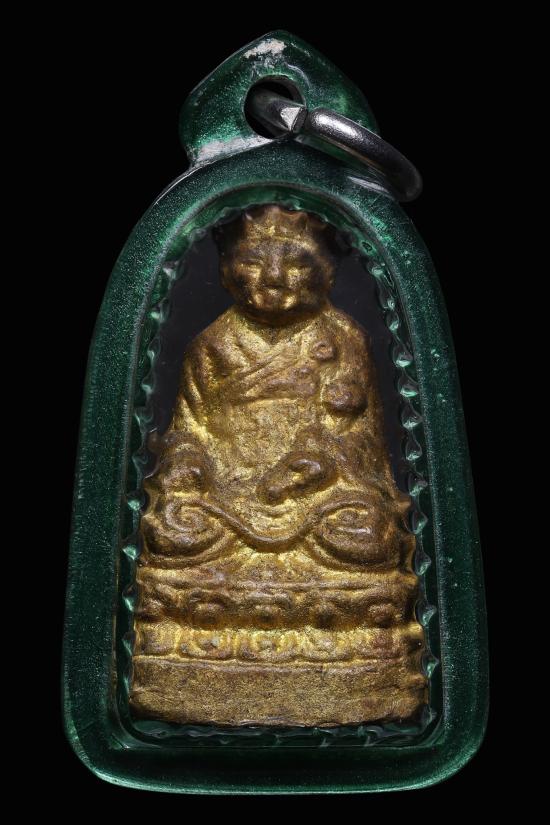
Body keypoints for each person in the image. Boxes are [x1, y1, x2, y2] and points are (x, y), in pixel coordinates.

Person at [131, 204, 426, 726]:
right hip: (225, 501)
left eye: (294, 263)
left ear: (327, 270)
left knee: (367, 533)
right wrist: (187, 465)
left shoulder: (342, 340)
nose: (271, 278)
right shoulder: (211, 345)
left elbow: (355, 437)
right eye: (252, 261)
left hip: (316, 502)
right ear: (226, 269)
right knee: (171, 530)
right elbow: (189, 430)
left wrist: (313, 466)